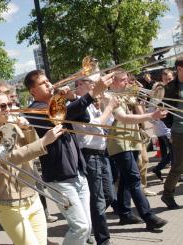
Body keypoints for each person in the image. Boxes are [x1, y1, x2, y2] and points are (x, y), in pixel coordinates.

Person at [23, 69, 113, 245]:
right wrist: (92, 93)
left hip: (78, 173)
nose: (49, 84)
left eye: (48, 81)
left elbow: (84, 118)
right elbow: (56, 118)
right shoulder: (33, 110)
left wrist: (72, 98)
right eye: (43, 83)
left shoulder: (59, 105)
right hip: (59, 177)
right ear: (32, 91)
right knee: (80, 227)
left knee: (86, 229)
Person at [0, 88, 63, 245]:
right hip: (10, 204)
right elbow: (9, 158)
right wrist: (43, 142)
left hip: (33, 197)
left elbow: (34, 152)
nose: (8, 109)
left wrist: (27, 129)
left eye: (9, 104)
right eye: (3, 106)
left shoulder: (13, 125)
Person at [107, 69, 168, 231]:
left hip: (133, 141)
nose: (127, 83)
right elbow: (123, 118)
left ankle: (124, 214)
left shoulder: (126, 95)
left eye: (127, 80)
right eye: (122, 80)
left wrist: (141, 100)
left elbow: (139, 110)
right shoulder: (107, 97)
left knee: (126, 180)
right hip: (120, 143)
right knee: (134, 179)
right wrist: (151, 117)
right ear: (112, 82)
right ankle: (149, 217)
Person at [72, 78, 118, 245]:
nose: (96, 86)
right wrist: (110, 106)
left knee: (108, 196)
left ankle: (89, 224)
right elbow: (94, 125)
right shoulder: (78, 105)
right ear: (80, 85)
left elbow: (107, 124)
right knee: (98, 200)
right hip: (89, 155)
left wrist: (107, 105)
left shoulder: (93, 104)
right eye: (92, 83)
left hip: (101, 153)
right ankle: (103, 240)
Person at [161, 56, 183, 209]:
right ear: (180, 69)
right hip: (179, 131)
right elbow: (165, 111)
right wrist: (169, 130)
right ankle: (167, 194)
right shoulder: (170, 88)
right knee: (178, 166)